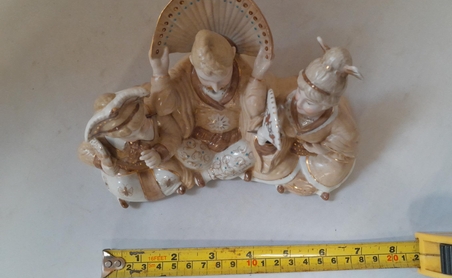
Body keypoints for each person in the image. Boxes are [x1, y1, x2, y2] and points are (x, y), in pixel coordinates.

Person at [149, 29, 272, 186]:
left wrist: (257, 76)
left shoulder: (244, 74)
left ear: (233, 54)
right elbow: (164, 109)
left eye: (222, 79)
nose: (215, 87)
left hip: (235, 141)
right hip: (200, 142)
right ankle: (226, 169)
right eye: (206, 80)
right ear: (192, 61)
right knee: (182, 148)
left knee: (251, 149)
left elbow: (255, 110)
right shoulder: (183, 76)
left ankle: (208, 174)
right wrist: (160, 74)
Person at [249, 38, 362, 200]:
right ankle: (282, 171)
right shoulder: (286, 92)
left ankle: (294, 178)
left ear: (327, 105)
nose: (299, 102)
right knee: (257, 145)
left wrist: (321, 150)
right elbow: (260, 109)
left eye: (309, 103)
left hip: (316, 158)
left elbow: (344, 151)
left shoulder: (341, 125)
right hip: (284, 148)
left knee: (333, 173)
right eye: (300, 92)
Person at [78, 86, 194, 207]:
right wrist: (102, 162)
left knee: (169, 175)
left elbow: (172, 134)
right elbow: (84, 151)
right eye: (131, 135)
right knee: (122, 186)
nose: (142, 134)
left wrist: (160, 153)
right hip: (126, 170)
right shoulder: (104, 141)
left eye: (143, 126)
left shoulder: (155, 118)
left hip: (157, 164)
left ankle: (173, 186)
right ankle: (127, 197)